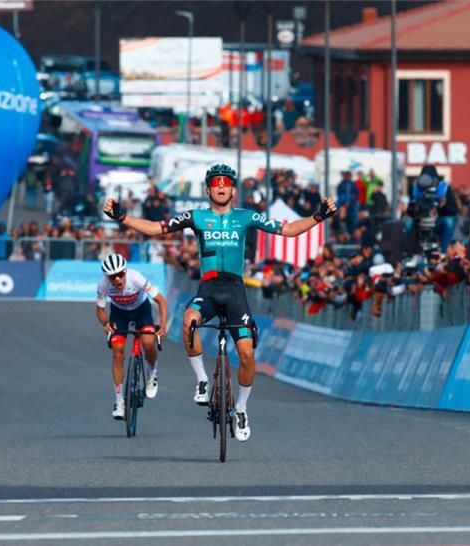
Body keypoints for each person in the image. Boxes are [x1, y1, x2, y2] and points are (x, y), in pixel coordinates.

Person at [104, 163, 336, 442]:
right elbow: (155, 229)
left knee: (247, 355)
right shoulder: (197, 216)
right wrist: (122, 216)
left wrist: (318, 216)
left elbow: (288, 230)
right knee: (189, 320)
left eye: (226, 183)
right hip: (209, 290)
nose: (221, 186)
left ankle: (240, 408)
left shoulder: (246, 217)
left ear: (234, 190)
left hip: (236, 290)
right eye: (216, 183)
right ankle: (202, 380)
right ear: (208, 190)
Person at [96, 253, 169, 421]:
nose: (117, 279)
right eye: (112, 276)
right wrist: (106, 323)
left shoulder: (135, 278)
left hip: (141, 311)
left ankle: (152, 371)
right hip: (119, 314)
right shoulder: (103, 284)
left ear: (125, 271)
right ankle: (119, 401)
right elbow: (99, 310)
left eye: (120, 274)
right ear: (108, 277)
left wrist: (163, 326)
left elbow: (161, 301)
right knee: (117, 352)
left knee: (148, 342)